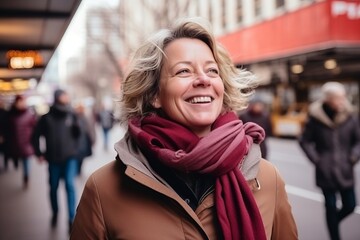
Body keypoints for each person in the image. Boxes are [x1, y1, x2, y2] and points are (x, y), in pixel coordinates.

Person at [70, 17, 298, 239]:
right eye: (184, 71)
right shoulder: (104, 190)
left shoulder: (267, 179)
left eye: (212, 70)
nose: (204, 80)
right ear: (154, 94)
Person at [299, 81, 360, 240]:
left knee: (350, 206)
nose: (342, 101)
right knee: (330, 206)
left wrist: (353, 156)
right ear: (327, 99)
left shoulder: (350, 117)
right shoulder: (315, 118)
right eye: (338, 98)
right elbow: (304, 141)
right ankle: (334, 236)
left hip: (346, 168)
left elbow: (358, 141)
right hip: (325, 170)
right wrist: (317, 159)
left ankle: (333, 223)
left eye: (343, 97)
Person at [31, 89, 80, 233]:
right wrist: (38, 153)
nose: (67, 98)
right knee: (53, 187)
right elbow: (35, 136)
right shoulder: (46, 118)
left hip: (69, 158)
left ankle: (72, 218)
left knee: (70, 186)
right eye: (64, 95)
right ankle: (55, 212)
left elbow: (78, 135)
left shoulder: (72, 114)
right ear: (58, 98)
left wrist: (75, 149)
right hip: (53, 159)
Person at [4, 95, 37, 188]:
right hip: (15, 142)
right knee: (18, 159)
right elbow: (7, 128)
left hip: (26, 143)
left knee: (26, 162)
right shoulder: (10, 114)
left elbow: (35, 128)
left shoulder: (29, 115)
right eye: (20, 102)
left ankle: (26, 177)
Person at [74, 103, 96, 175]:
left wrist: (93, 139)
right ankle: (77, 169)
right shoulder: (74, 117)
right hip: (77, 140)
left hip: (83, 140)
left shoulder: (85, 117)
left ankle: (78, 169)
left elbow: (90, 129)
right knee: (78, 156)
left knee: (81, 156)